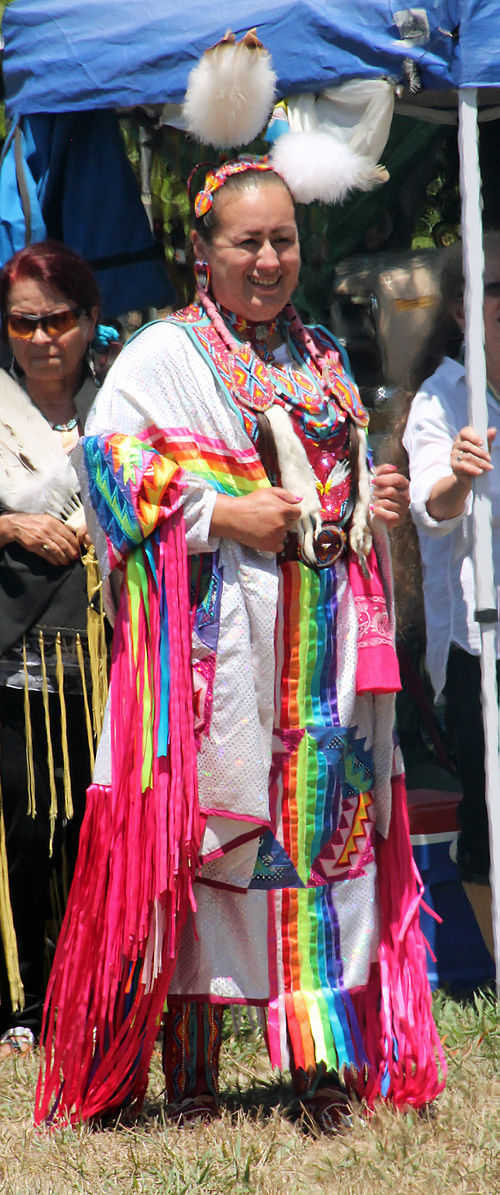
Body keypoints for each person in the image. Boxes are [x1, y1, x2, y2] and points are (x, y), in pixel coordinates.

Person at [36, 161, 445, 1130]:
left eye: (283, 241)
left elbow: (333, 484)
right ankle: (191, 1085)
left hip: (320, 656)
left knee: (316, 858)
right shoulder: (161, 356)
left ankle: (317, 1072)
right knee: (209, 861)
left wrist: (365, 500)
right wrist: (225, 514)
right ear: (201, 251)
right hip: (214, 662)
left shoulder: (318, 353)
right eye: (245, 243)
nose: (267, 260)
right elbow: (110, 473)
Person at [0, 240, 104, 1060]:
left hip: (112, 656)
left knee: (96, 826)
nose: (41, 339)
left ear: (88, 319)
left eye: (57, 319)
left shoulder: (121, 406)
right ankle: (24, 1002)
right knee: (27, 832)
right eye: (23, 323)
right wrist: (8, 522)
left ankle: (99, 986)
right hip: (16, 653)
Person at [402, 233, 500, 958]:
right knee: (493, 814)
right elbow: (432, 503)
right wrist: (462, 476)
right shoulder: (442, 396)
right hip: (482, 639)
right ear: (465, 310)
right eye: (496, 292)